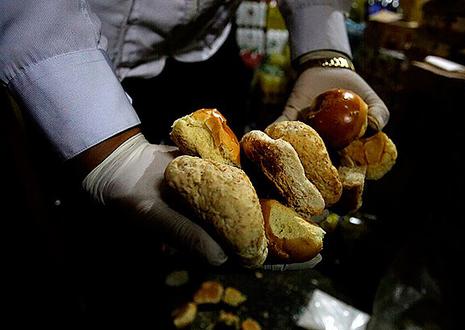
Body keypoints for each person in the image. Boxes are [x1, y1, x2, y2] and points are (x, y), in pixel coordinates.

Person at [0, 0, 389, 268]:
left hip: (207, 52)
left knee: (206, 229)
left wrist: (323, 47)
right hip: (82, 59)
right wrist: (105, 146)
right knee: (101, 241)